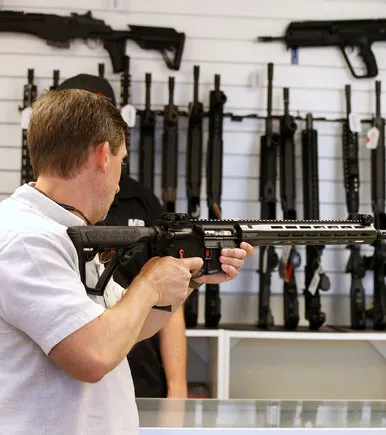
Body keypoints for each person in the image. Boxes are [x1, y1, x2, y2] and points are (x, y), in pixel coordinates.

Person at [0, 86, 253, 434]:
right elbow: (93, 356)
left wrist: (192, 276)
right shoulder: (28, 240)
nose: (120, 183)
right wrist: (149, 283)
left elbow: (131, 329)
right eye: (122, 159)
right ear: (104, 155)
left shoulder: (64, 230)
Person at [56, 73, 188, 399]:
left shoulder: (143, 202)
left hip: (136, 382)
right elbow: (92, 356)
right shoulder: (36, 231)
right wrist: (152, 283)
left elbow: (154, 309)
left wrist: (178, 389)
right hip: (75, 390)